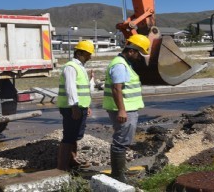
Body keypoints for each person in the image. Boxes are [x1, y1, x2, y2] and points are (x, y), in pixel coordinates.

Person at [102, 34, 150, 182]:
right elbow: (117, 89)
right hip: (124, 110)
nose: (139, 58)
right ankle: (118, 175)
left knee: (123, 140)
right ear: (131, 51)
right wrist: (122, 110)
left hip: (127, 109)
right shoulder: (120, 65)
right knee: (121, 141)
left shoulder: (124, 64)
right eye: (138, 54)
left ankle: (120, 171)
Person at [56, 40, 94, 171]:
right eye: (88, 54)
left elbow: (82, 89)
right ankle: (62, 166)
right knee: (69, 136)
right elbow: (70, 88)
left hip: (79, 106)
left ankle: (72, 160)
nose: (90, 56)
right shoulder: (70, 67)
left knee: (75, 135)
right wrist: (74, 107)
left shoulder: (80, 67)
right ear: (79, 53)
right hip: (71, 108)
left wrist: (86, 106)